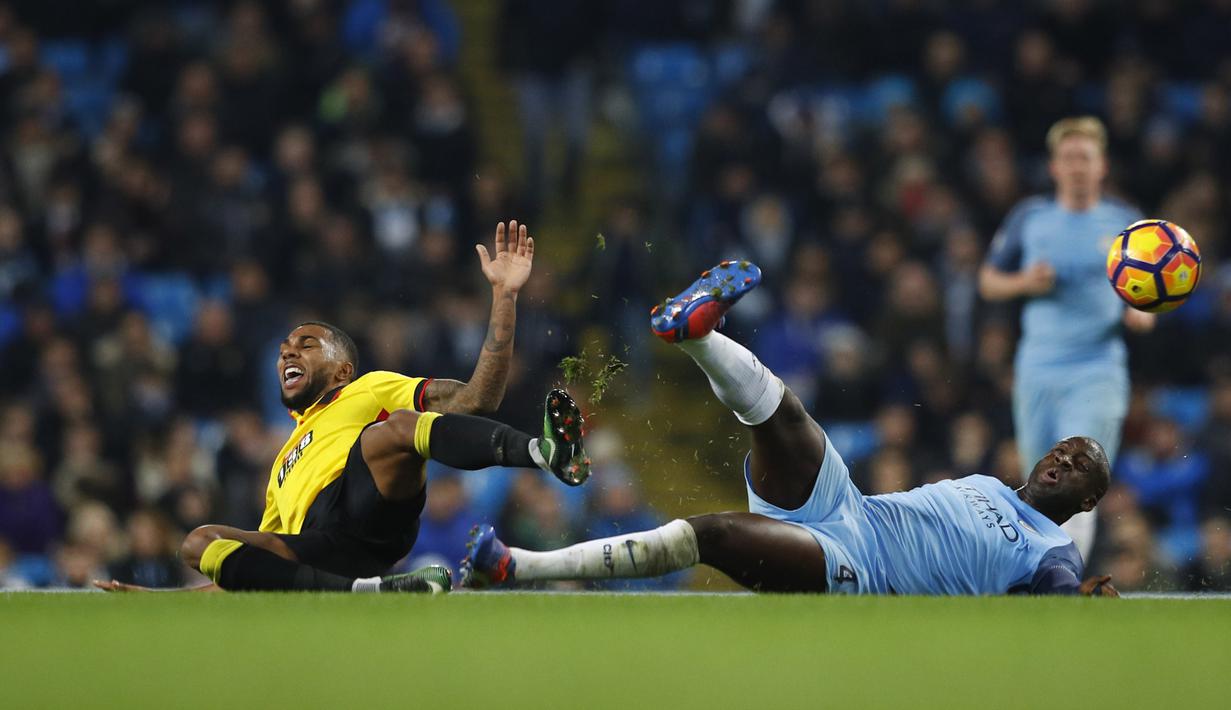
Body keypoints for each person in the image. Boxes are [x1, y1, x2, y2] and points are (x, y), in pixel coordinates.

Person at [462, 260, 1119, 596]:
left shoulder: (1050, 552)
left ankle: (516, 567)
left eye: (1078, 463)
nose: (1061, 458)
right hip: (848, 509)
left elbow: (1059, 592)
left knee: (712, 532)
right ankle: (695, 334)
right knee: (786, 416)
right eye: (1062, 449)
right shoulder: (992, 487)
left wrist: (1083, 599)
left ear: (1087, 500)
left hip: (859, 569)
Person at [94, 222, 590, 594]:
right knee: (197, 543)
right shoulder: (282, 464)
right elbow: (256, 576)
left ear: (341, 371)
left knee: (393, 429)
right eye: (285, 346)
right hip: (319, 553)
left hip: (369, 509)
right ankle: (370, 593)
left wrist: (504, 297)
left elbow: (477, 399)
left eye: (306, 343)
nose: (288, 351)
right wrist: (153, 599)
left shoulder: (366, 390)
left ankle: (546, 452)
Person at [978, 116, 1154, 562]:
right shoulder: (1030, 217)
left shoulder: (1125, 222)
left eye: (1086, 158)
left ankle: (1063, 583)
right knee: (1043, 482)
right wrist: (1024, 283)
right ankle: (1041, 576)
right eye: (1069, 157)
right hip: (1037, 367)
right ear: (1054, 166)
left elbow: (1150, 293)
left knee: (1079, 477)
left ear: (1102, 165)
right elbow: (988, 281)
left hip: (1097, 367)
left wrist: (1140, 313)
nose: (1077, 166)